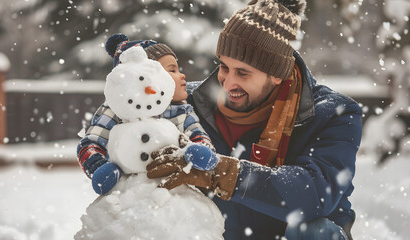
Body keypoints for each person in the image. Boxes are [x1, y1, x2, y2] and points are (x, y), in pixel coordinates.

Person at [146, 0, 362, 239]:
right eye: (224, 67)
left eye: (243, 73)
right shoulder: (187, 107)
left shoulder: (332, 113)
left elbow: (314, 196)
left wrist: (221, 173)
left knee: (315, 231)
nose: (228, 84)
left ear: (277, 74)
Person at [77, 34, 213, 193]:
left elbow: (198, 136)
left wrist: (198, 152)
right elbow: (91, 143)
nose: (182, 75)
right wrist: (99, 166)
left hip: (173, 191)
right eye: (172, 70)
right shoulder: (116, 111)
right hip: (128, 191)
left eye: (178, 69)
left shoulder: (181, 111)